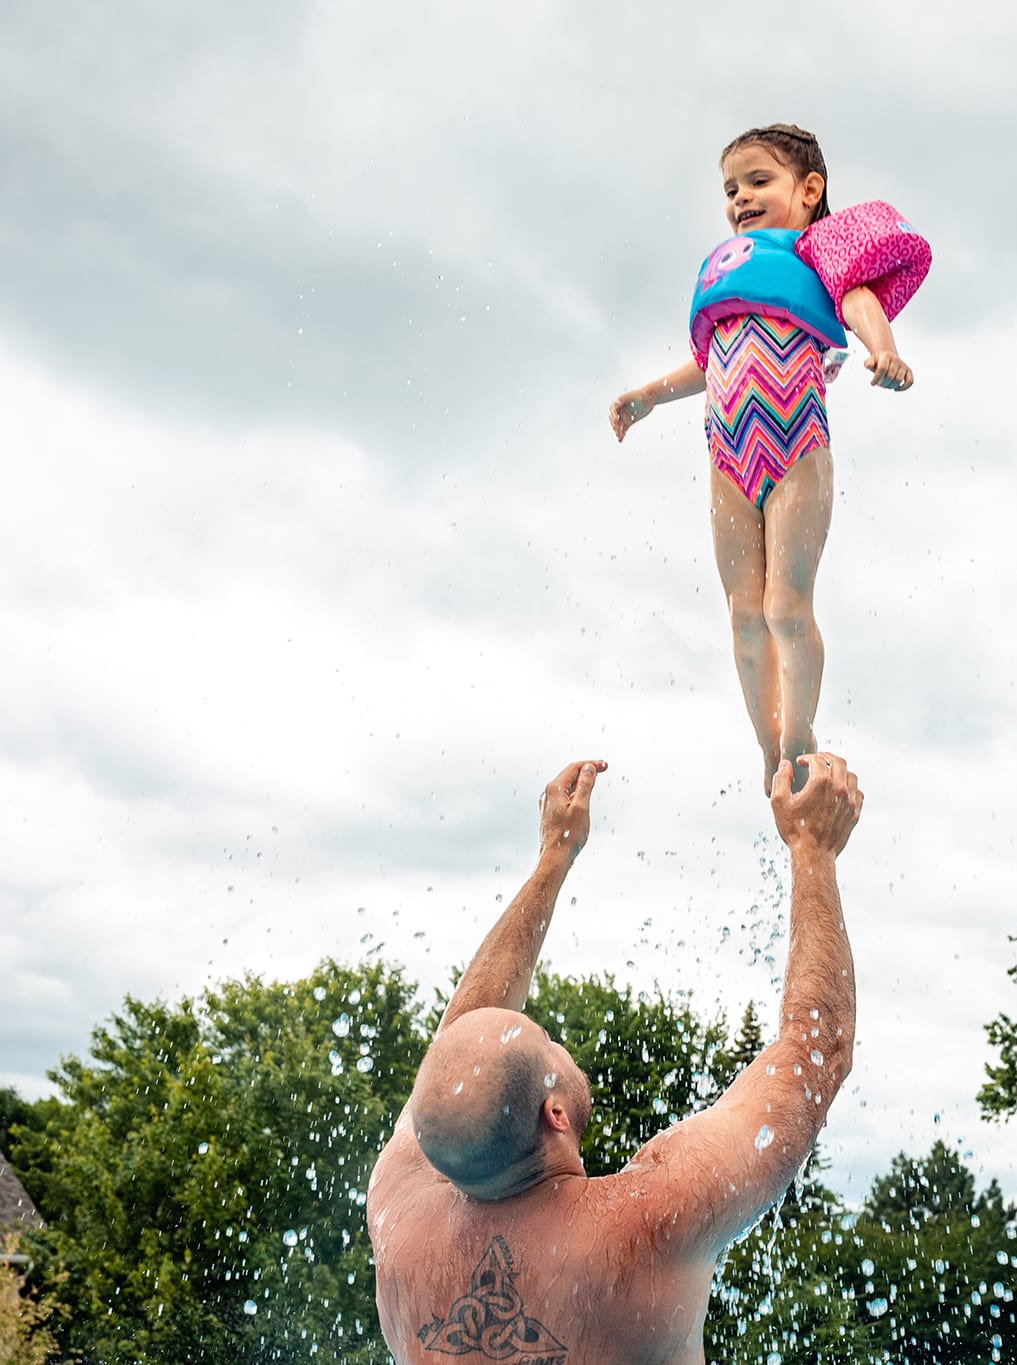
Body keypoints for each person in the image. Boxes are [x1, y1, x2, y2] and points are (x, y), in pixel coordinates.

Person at [366, 753, 865, 1363]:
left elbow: (460, 1062)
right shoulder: (646, 1223)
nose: (554, 1036)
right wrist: (814, 849)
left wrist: (553, 860)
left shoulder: (398, 1216)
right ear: (555, 1114)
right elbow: (817, 1050)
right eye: (545, 1041)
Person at [609, 124, 926, 795]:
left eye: (759, 181)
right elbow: (703, 364)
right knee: (744, 613)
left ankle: (800, 732)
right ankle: (768, 744)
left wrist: (883, 348)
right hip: (727, 453)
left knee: (786, 607)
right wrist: (644, 396)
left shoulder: (821, 251)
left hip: (798, 447)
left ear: (809, 191)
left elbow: (859, 301)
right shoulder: (731, 273)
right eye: (731, 188)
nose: (740, 198)